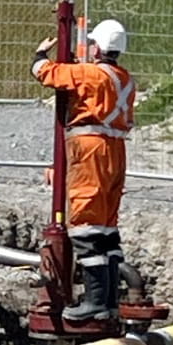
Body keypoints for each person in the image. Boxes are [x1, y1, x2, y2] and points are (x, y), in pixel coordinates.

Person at [30, 18, 134, 323]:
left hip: (89, 150)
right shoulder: (125, 78)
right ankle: (110, 300)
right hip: (116, 151)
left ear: (98, 47)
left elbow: (44, 73)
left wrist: (39, 54)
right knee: (106, 228)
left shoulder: (88, 74)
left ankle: (96, 302)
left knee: (86, 225)